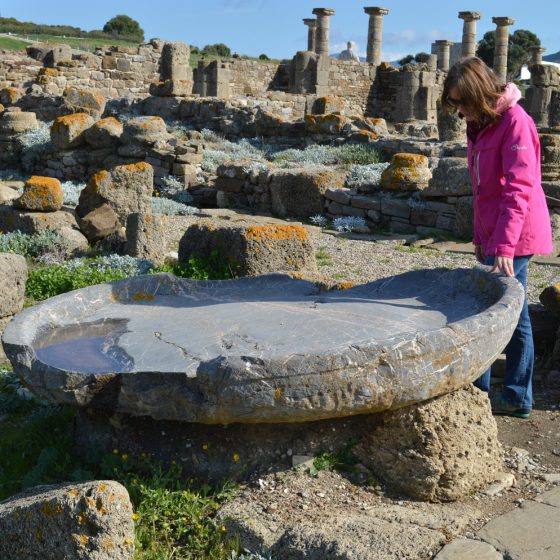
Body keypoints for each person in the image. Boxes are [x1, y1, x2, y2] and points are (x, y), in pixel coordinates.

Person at [442, 57, 553, 419]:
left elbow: (518, 190)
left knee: (502, 312)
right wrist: (481, 237)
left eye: (461, 102)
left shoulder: (516, 123)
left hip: (517, 235)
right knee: (499, 309)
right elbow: (482, 189)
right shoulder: (480, 124)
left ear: (478, 94)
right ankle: (492, 391)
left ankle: (509, 395)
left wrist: (502, 246)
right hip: (497, 233)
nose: (458, 111)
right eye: (453, 102)